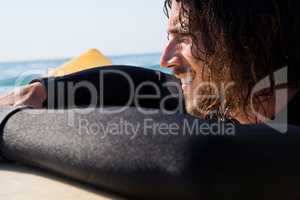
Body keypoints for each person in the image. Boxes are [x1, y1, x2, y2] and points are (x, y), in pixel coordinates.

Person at [0, 0, 299, 126]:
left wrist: (10, 125)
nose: (165, 59)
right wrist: (41, 92)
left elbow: (186, 159)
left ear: (256, 34)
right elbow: (144, 86)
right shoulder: (226, 102)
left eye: (185, 35)